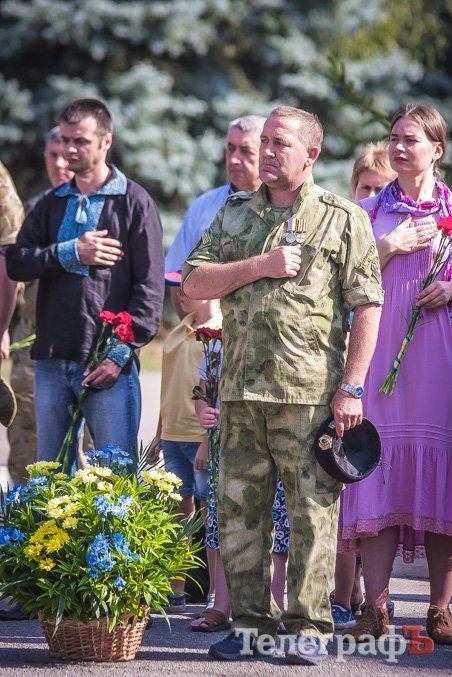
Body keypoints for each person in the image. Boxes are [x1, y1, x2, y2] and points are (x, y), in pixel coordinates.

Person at [182, 105, 384, 665]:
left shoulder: (343, 219)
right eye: (264, 141)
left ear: (311, 154)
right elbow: (194, 282)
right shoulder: (234, 213)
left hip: (309, 396)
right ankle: (249, 625)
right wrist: (260, 264)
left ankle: (309, 627)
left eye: (280, 143)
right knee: (239, 514)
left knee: (312, 517)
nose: (267, 152)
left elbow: (368, 305)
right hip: (240, 395)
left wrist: (352, 387)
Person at [338, 103, 452, 644]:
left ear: (437, 149)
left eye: (411, 139)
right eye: (394, 138)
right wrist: (388, 247)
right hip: (378, 356)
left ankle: (441, 609)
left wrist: (451, 288)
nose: (399, 147)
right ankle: (375, 608)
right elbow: (341, 283)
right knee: (376, 474)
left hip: (438, 361)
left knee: (440, 478)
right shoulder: (365, 213)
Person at [6, 98, 164, 469]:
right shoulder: (50, 203)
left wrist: (118, 357)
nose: (69, 150)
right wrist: (71, 251)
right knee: (51, 481)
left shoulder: (134, 202)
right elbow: (16, 263)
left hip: (107, 364)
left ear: (106, 142)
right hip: (51, 361)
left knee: (114, 480)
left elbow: (150, 291)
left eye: (80, 141)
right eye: (65, 140)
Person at [332, 142, 397, 631]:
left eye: (379, 187)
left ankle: (373, 593)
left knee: (374, 480)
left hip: (392, 359)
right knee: (345, 477)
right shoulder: (352, 225)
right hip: (346, 360)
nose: (370, 194)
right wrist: (389, 247)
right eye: (364, 187)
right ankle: (344, 593)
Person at [7, 127, 74, 483]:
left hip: (79, 347)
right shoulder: (30, 212)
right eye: (53, 155)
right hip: (31, 346)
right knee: (24, 449)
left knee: (83, 455)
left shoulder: (96, 210)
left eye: (66, 155)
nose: (60, 164)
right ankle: (21, 519)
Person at [150, 278, 222, 610]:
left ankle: (214, 593)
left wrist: (208, 441)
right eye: (176, 288)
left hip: (200, 437)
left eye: (187, 286)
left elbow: (213, 392)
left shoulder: (220, 330)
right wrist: (159, 432)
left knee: (209, 515)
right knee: (180, 514)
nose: (179, 294)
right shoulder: (179, 330)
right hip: (173, 435)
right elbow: (169, 386)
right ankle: (176, 588)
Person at [165, 115, 264, 318]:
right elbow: (177, 277)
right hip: (208, 334)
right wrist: (194, 330)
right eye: (230, 149)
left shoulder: (283, 206)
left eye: (246, 151)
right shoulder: (204, 206)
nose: (234, 159)